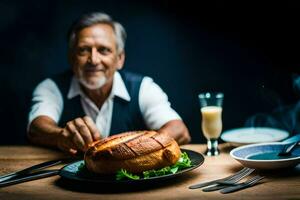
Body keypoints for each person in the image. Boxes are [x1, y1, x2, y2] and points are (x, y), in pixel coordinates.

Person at [27, 12, 191, 155]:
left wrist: (140, 148)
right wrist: (61, 136)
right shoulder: (51, 88)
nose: (93, 60)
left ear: (120, 59)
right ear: (71, 58)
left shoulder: (143, 88)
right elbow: (36, 128)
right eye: (83, 50)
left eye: (103, 50)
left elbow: (179, 130)